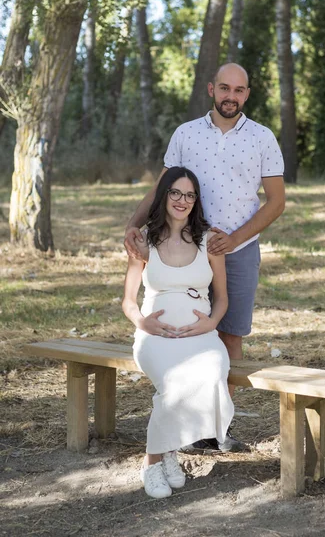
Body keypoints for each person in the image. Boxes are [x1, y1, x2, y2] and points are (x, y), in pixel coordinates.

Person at [124, 62, 285, 451]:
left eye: (240, 90)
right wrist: (133, 223)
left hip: (238, 251)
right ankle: (184, 425)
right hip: (186, 248)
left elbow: (276, 202)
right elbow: (162, 189)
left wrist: (234, 239)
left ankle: (216, 429)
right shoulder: (186, 134)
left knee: (228, 335)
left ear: (247, 94)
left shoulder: (263, 138)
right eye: (225, 88)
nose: (232, 96)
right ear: (212, 90)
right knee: (185, 330)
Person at [122, 166, 234, 499]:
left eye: (189, 195)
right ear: (164, 195)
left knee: (213, 370)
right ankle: (153, 461)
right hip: (156, 335)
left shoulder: (209, 241)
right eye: (175, 193)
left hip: (200, 335)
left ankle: (165, 451)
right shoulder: (144, 242)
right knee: (173, 383)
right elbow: (128, 302)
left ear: (196, 201)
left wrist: (211, 323)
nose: (182, 200)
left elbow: (223, 298)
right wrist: (143, 323)